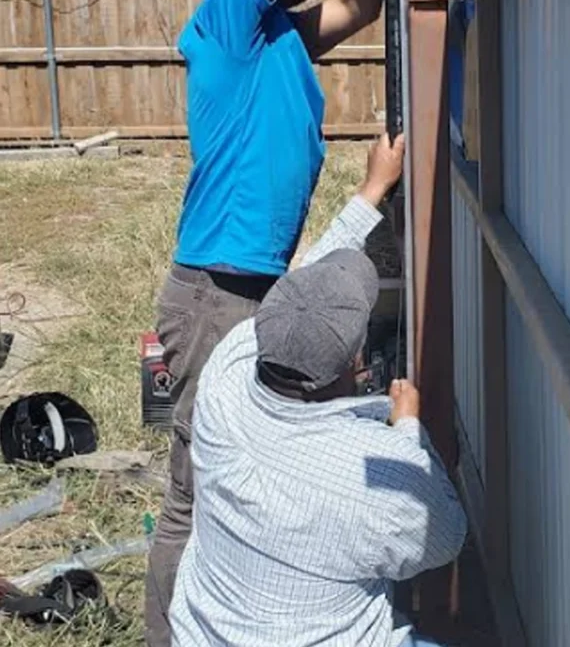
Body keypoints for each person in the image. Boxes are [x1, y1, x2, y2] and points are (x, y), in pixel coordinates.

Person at [145, 0, 389, 643]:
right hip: (215, 294)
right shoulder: (227, 24)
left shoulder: (279, 35)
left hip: (252, 290)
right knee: (199, 492)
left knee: (250, 474)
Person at [168, 136, 467, 647]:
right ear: (355, 363)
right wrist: (408, 432)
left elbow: (306, 283)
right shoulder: (365, 475)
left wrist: (371, 190)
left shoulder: (226, 375)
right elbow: (444, 536)